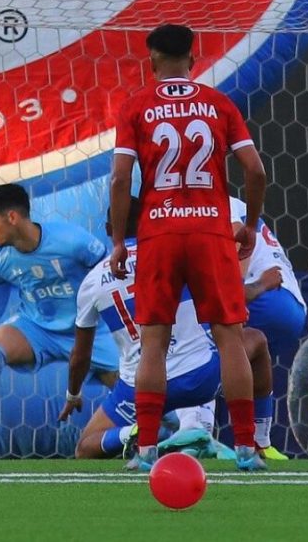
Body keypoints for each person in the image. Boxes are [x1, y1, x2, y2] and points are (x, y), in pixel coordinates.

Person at [109, 23, 269, 472]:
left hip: (159, 234)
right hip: (211, 231)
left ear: (153, 58)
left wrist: (121, 240)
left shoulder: (137, 106)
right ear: (193, 60)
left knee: (154, 341)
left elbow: (122, 178)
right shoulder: (219, 104)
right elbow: (255, 171)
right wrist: (250, 225)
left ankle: (143, 451)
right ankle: (244, 448)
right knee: (230, 337)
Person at [59, 198, 274, 462]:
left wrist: (73, 394)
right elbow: (226, 306)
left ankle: (130, 433)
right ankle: (259, 441)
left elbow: (80, 355)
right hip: (200, 377)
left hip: (141, 389)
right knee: (254, 341)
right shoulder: (180, 258)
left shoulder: (92, 282)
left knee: (85, 447)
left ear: (108, 229)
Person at [0, 183, 119, 460]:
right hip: (37, 328)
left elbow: (109, 275)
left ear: (13, 218)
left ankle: (186, 435)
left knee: (139, 393)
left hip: (92, 332)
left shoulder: (72, 241)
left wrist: (121, 327)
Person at [173, 196, 307, 461]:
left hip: (268, 295)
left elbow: (236, 249)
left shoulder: (212, 198)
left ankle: (196, 428)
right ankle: (261, 441)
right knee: (251, 349)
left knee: (199, 333)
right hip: (291, 306)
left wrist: (247, 291)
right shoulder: (219, 200)